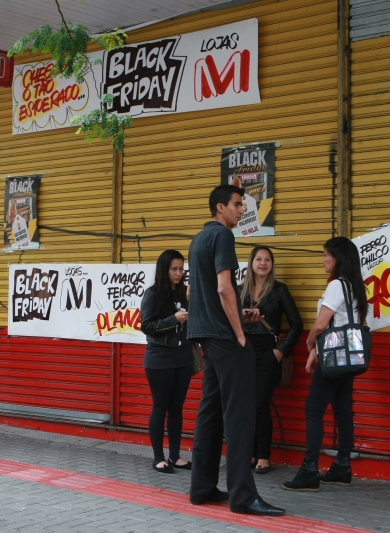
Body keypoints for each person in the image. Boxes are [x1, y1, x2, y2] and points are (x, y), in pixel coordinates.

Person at [187, 184, 284, 516]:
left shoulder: (198, 240)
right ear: (220, 208)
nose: (243, 210)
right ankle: (243, 496)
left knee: (210, 412)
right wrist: (240, 332)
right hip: (226, 339)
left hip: (205, 337)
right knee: (240, 417)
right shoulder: (224, 237)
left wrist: (233, 316)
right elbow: (225, 287)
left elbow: (199, 294)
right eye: (238, 204)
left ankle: (201, 488)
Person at [282, 236, 368, 492]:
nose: (323, 259)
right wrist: (316, 351)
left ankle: (309, 469)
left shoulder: (336, 286)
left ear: (338, 258)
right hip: (350, 356)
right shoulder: (356, 286)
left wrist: (309, 344)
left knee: (313, 409)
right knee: (342, 410)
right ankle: (342, 466)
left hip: (333, 357)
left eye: (326, 255)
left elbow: (321, 324)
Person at [241, 246, 303, 474]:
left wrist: (280, 352)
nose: (263, 263)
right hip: (244, 352)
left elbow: (297, 325)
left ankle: (264, 456)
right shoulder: (240, 291)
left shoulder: (279, 290)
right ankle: (252, 453)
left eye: (267, 259)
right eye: (258, 259)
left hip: (268, 352)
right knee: (247, 406)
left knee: (260, 405)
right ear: (251, 263)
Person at [140, 250, 193, 474]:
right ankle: (158, 458)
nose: (179, 273)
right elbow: (147, 326)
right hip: (159, 357)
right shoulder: (153, 294)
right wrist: (173, 319)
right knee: (160, 407)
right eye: (174, 269)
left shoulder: (184, 292)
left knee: (177, 409)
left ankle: (175, 455)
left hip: (183, 357)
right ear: (164, 269)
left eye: (181, 269)